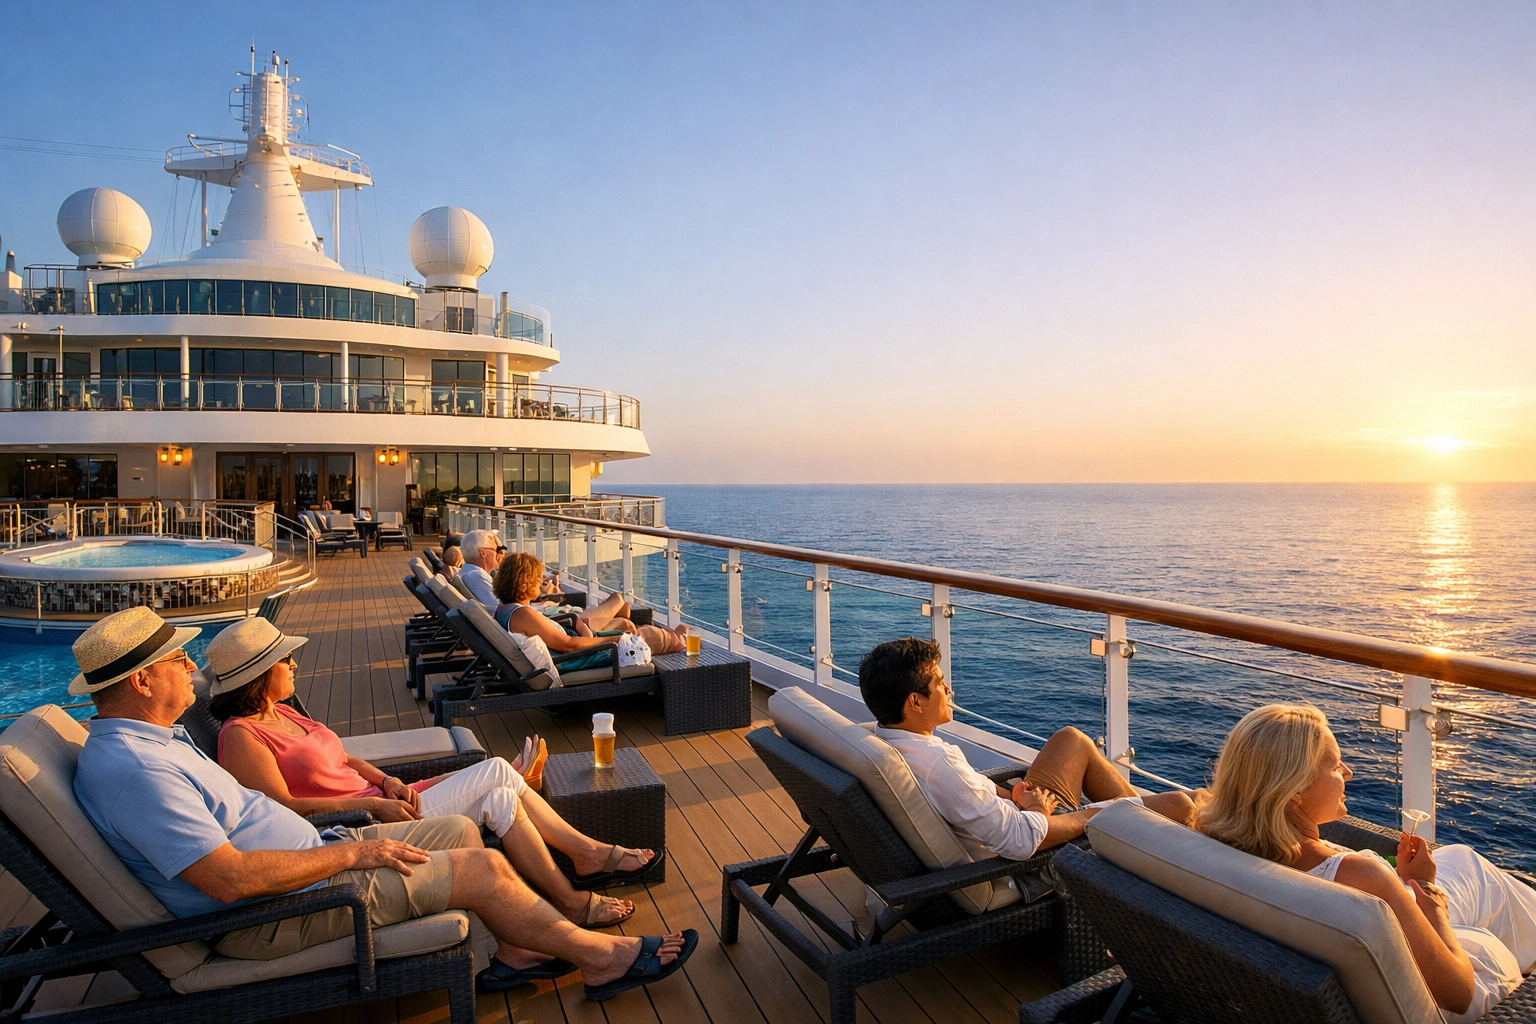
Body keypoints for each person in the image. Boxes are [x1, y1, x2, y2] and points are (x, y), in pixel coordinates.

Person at [68, 607, 695, 998]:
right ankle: (600, 958)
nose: (188, 670)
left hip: (316, 859)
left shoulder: (154, 743)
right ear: (143, 680)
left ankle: (520, 942)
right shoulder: (138, 771)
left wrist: (354, 827)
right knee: (484, 861)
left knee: (459, 829)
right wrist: (352, 855)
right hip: (281, 910)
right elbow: (229, 879)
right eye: (176, 659)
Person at [207, 617, 658, 929]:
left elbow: (343, 758)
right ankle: (586, 855)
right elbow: (282, 809)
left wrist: (385, 780)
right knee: (498, 769)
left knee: (501, 796)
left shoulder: (284, 713)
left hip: (390, 799)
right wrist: (371, 802)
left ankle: (569, 896)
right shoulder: (242, 736)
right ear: (258, 674)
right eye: (284, 661)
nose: (294, 664)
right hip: (366, 824)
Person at [1195, 704, 1536, 1022]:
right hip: (1444, 992)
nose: (1349, 772)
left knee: (1464, 860)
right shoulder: (1364, 877)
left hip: (1344, 956)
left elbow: (1155, 805)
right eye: (1335, 765)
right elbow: (1458, 994)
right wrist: (1429, 896)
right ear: (1294, 790)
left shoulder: (1207, 833)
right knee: (1485, 900)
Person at [857, 637, 1195, 862]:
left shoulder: (886, 737)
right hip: (1030, 855)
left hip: (1020, 818)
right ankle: (1158, 852)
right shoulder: (938, 765)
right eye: (939, 683)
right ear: (915, 701)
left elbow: (969, 797)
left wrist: (1010, 796)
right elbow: (1020, 842)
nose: (949, 688)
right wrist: (1101, 811)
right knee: (1183, 804)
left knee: (1072, 739)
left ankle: (1143, 836)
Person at [492, 553, 690, 657]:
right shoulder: (523, 614)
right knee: (644, 635)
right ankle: (679, 642)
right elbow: (569, 646)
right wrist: (613, 640)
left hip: (578, 642)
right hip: (579, 657)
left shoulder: (506, 609)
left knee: (632, 630)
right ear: (524, 581)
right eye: (536, 577)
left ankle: (675, 639)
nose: (541, 580)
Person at [456, 529, 503, 607]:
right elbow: (499, 608)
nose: (497, 554)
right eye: (495, 550)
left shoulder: (465, 573)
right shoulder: (478, 577)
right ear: (483, 553)